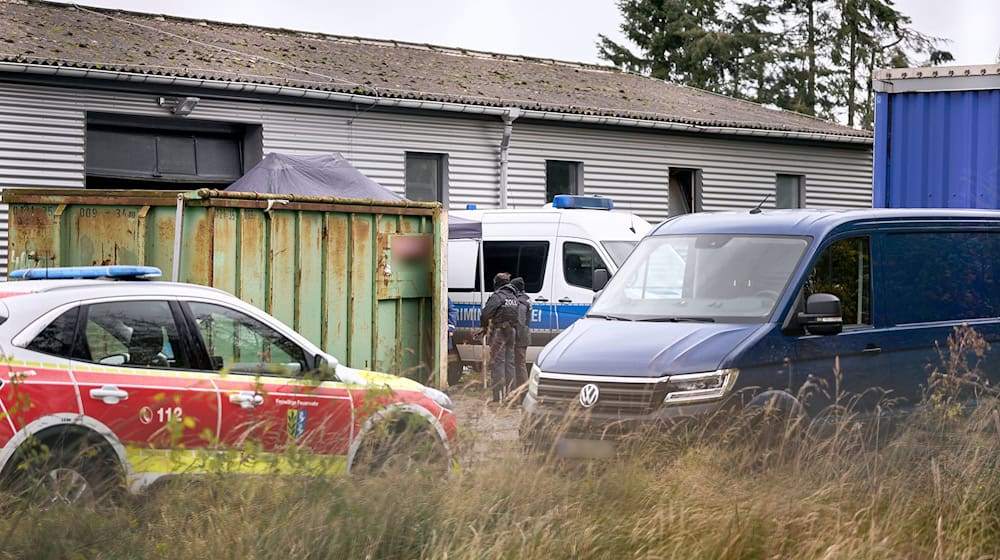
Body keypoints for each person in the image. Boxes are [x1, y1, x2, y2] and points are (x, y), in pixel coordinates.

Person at [481, 272, 518, 402]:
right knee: (510, 364)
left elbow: (485, 314)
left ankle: (497, 398)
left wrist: (484, 327)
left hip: (499, 332)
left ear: (497, 283)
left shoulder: (497, 296)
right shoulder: (514, 296)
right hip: (512, 332)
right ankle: (511, 396)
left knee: (498, 364)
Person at [510, 277, 532, 387]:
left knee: (519, 365)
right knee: (519, 364)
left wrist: (516, 337)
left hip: (520, 337)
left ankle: (523, 390)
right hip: (524, 336)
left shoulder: (521, 302)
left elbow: (520, 321)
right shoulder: (525, 299)